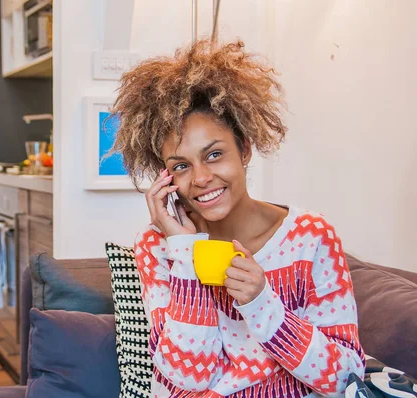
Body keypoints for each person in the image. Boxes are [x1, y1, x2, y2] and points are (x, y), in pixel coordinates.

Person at [110, 40, 365, 397]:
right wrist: (185, 251)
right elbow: (187, 377)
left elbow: (345, 377)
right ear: (165, 177)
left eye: (214, 154)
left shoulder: (310, 237)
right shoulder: (157, 246)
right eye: (181, 165)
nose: (200, 178)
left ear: (244, 149)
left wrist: (263, 304)